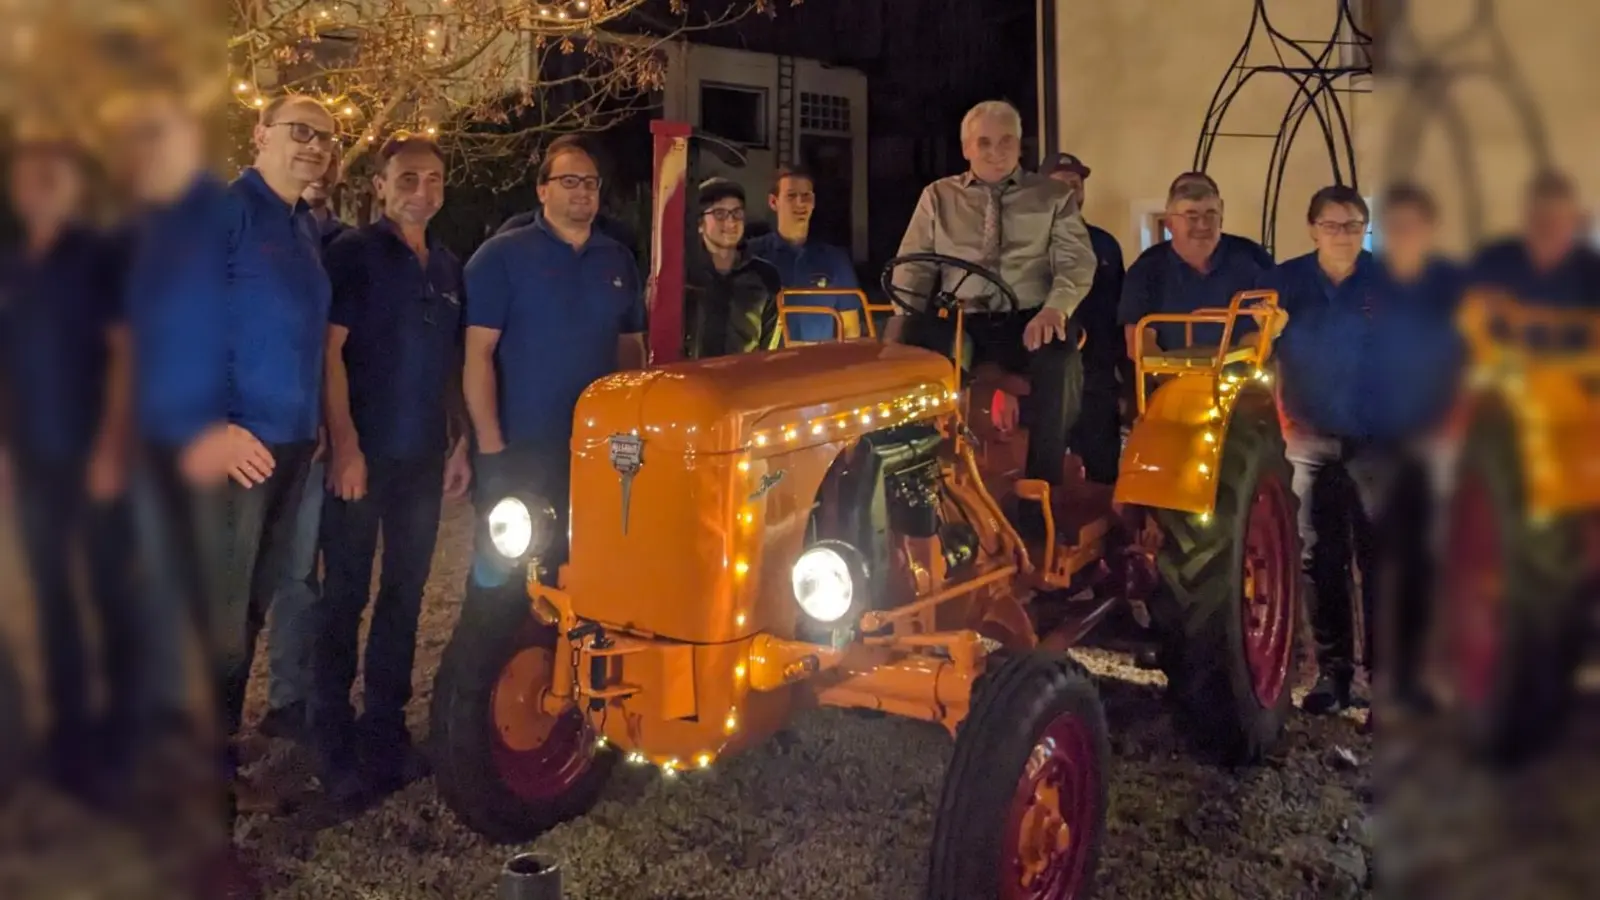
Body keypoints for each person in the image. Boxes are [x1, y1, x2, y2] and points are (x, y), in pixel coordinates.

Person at [313, 134, 472, 803]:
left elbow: (453, 362)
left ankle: (385, 729)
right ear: (379, 186)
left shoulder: (448, 266)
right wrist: (345, 445)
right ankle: (330, 740)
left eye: (433, 179)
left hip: (423, 457)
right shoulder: (353, 254)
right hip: (365, 453)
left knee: (405, 595)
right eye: (407, 178)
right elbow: (329, 352)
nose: (422, 191)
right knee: (344, 594)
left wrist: (460, 441)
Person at [1260, 184, 1456, 716]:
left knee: (1382, 559)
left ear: (1366, 230)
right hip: (1308, 439)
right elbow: (1253, 346)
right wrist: (1266, 333)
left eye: (1352, 226)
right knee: (1317, 560)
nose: (1342, 235)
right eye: (1331, 225)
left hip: (1377, 442)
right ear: (1312, 229)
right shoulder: (1283, 283)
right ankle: (1333, 674)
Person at [206, 94, 335, 824]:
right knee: (215, 627)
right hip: (235, 451)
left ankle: (216, 776)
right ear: (260, 134)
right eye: (300, 131)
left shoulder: (301, 224)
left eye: (326, 137)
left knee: (248, 617)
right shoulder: (227, 212)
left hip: (289, 447)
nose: (315, 144)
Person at [0, 125, 139, 805]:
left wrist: (112, 449)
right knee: (53, 597)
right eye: (30, 175)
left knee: (108, 596)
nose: (40, 186)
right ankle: (71, 740)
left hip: (92, 458)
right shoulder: (11, 265)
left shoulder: (102, 258)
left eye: (53, 175)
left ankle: (121, 742)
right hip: (33, 459)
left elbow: (124, 356)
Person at [888, 99, 1096, 518]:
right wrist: (901, 320)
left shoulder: (1053, 196)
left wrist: (1055, 309)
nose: (995, 151)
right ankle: (920, 479)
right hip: (960, 320)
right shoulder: (938, 197)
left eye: (1006, 141)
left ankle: (1040, 489)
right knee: (911, 358)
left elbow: (1075, 262)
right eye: (984, 142)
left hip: (1029, 321)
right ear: (967, 147)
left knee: (1060, 358)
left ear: (1019, 145)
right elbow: (914, 267)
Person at [463, 134, 646, 576]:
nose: (582, 190)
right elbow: (477, 356)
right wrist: (491, 447)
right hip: (520, 448)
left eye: (590, 182)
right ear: (542, 190)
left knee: (585, 568)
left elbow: (631, 350)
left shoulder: (617, 260)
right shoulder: (502, 256)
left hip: (594, 450)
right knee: (501, 579)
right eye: (569, 181)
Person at [257, 158, 347, 743]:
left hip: (314, 432)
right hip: (253, 431)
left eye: (326, 154)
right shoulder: (245, 226)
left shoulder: (342, 244)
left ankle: (290, 696)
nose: (315, 164)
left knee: (299, 573)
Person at [1119, 172, 1275, 361]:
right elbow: (1139, 342)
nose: (1202, 225)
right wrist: (1175, 375)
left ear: (1221, 217)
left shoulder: (1253, 259)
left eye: (1210, 214)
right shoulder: (1146, 269)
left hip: (1240, 375)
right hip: (1168, 377)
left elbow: (1262, 330)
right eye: (1191, 216)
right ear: (1169, 223)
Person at [1042, 152, 1125, 485]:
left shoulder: (1106, 245)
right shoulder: (1025, 248)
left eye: (1075, 185)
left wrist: (1126, 384)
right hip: (1046, 383)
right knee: (1045, 477)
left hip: (1097, 382)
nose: (1069, 193)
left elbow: (1119, 315)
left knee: (1102, 476)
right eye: (1059, 186)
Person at [746, 165, 864, 343]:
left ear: (814, 201)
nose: (800, 203)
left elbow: (850, 330)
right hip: (767, 360)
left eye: (806, 195)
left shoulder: (835, 260)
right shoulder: (752, 255)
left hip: (817, 360)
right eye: (791, 195)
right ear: (773, 202)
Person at [1471, 169, 1600, 309]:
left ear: (1574, 222)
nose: (1547, 231)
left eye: (1556, 222)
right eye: (1539, 221)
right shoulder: (1493, 262)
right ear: (1525, 218)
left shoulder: (1592, 273)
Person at [683, 177, 782, 359]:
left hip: (746, 374)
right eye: (720, 214)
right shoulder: (682, 274)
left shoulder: (764, 275)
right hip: (690, 375)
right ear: (700, 223)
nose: (731, 222)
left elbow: (771, 347)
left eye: (737, 213)